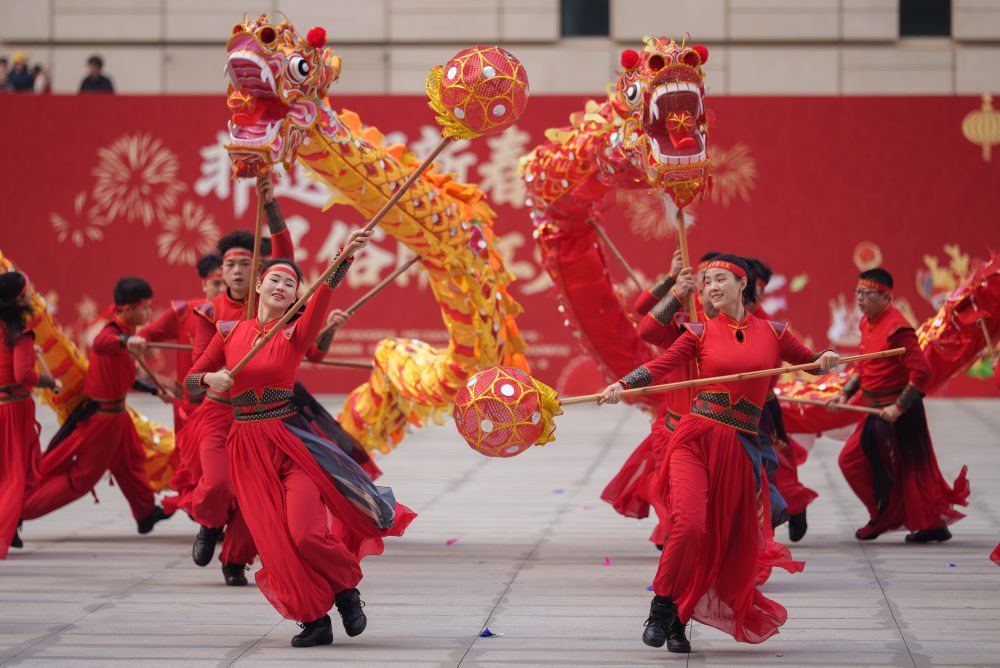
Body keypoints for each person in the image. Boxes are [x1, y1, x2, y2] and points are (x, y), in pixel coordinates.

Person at [599, 255, 840, 653]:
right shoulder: (697, 332)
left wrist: (825, 359)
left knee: (717, 541)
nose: (712, 286)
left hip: (741, 446)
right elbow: (659, 362)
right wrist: (623, 384)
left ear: (742, 285)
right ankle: (661, 608)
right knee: (689, 525)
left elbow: (812, 363)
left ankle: (679, 618)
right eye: (707, 280)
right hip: (695, 439)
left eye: (721, 279)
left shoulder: (774, 333)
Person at [186, 230, 416, 648]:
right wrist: (209, 377)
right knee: (274, 545)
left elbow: (325, 293)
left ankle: (346, 591)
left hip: (290, 444)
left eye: (290, 284)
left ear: (294, 299)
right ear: (259, 285)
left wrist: (344, 256)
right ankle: (314, 620)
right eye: (275, 279)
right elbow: (189, 381)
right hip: (246, 449)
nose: (281, 286)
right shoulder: (227, 333)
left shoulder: (295, 334)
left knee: (306, 533)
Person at [20, 278, 174, 537]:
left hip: (118, 416)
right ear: (126, 309)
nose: (149, 313)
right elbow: (104, 342)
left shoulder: (125, 334)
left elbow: (127, 374)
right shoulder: (111, 333)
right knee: (82, 479)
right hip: (103, 419)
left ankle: (145, 513)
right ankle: (19, 512)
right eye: (145, 307)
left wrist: (154, 390)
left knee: (131, 463)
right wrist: (126, 341)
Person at [828, 268, 969, 543]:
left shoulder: (898, 329)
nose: (859, 299)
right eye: (857, 292)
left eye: (866, 294)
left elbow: (923, 372)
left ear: (885, 296)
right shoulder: (866, 322)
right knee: (852, 461)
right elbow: (863, 365)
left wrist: (899, 407)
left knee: (912, 471)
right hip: (876, 410)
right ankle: (882, 514)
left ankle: (929, 524)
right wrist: (844, 395)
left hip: (897, 412)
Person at [1, 272, 59, 557]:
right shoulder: (19, 330)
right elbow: (23, 374)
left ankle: (11, 529)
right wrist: (51, 382)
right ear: (18, 299)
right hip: (13, 409)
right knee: (14, 476)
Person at [139, 253, 224, 431]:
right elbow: (145, 336)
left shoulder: (244, 316)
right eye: (216, 283)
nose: (223, 289)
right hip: (190, 407)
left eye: (227, 283)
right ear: (204, 284)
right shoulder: (183, 312)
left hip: (226, 406)